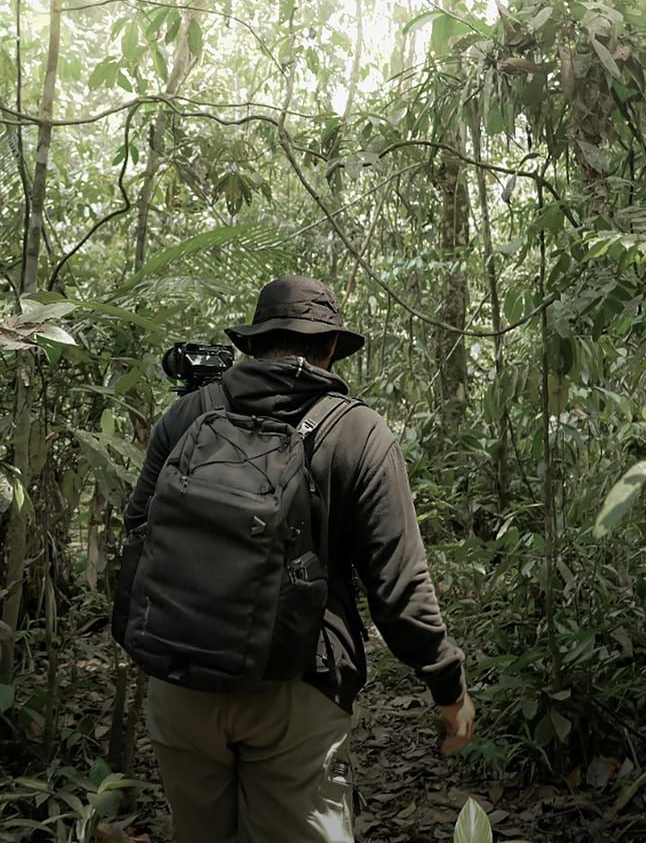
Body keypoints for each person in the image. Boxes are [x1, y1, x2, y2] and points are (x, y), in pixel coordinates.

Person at [119, 275, 472, 842]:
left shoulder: (188, 415)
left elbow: (137, 533)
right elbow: (399, 586)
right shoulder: (358, 432)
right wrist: (447, 686)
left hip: (181, 683)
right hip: (296, 689)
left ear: (256, 342)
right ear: (331, 347)